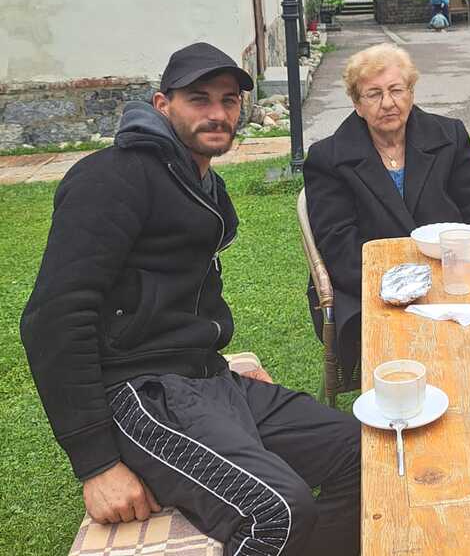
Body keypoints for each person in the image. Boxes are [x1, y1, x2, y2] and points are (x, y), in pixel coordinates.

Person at [21, 43, 361, 556]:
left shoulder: (201, 181)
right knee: (277, 511)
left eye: (229, 100)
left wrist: (219, 369)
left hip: (208, 380)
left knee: (365, 453)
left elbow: (178, 296)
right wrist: (96, 463)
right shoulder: (112, 178)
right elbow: (53, 318)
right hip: (142, 393)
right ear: (163, 105)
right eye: (199, 99)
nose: (217, 113)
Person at [304, 43, 470, 377]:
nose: (388, 103)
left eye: (396, 90)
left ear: (411, 92)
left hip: (455, 279)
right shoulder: (330, 158)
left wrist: (455, 270)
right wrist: (409, 289)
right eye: (374, 94)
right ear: (357, 104)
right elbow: (339, 248)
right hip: (373, 291)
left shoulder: (449, 136)